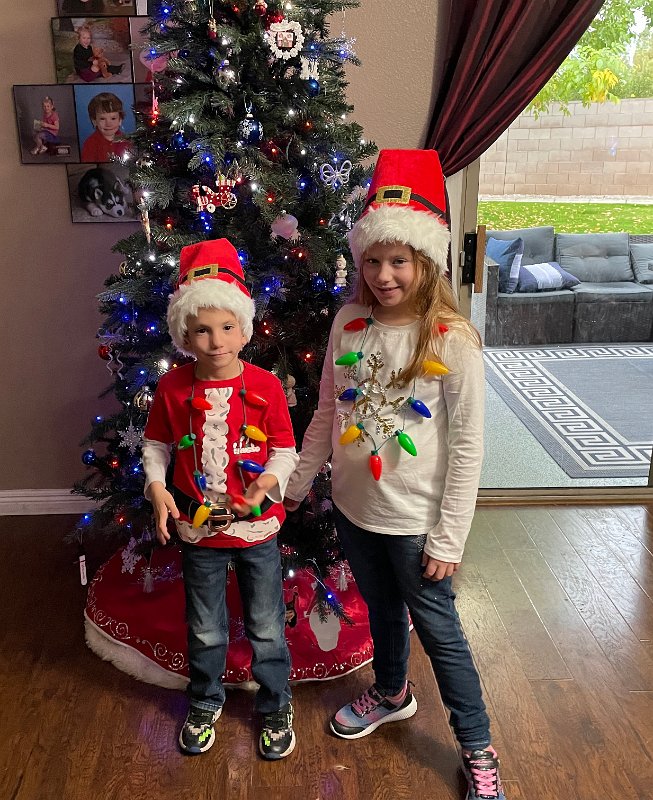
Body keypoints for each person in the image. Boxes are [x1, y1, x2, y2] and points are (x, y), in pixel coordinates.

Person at [284, 149, 506, 800]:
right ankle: (390, 692)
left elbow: (467, 447)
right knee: (379, 607)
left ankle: (477, 747)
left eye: (398, 261)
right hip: (355, 508)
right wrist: (295, 485)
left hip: (416, 522)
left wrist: (449, 537)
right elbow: (328, 411)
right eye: (372, 260)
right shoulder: (348, 323)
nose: (383, 275)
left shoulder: (451, 340)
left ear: (426, 260)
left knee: (440, 633)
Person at [141, 238, 299, 760]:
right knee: (205, 626)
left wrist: (266, 482)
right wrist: (157, 486)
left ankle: (275, 703)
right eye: (203, 330)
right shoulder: (172, 388)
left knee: (267, 625)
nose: (216, 341)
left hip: (256, 530)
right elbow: (157, 445)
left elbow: (285, 450)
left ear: (244, 329)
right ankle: (205, 699)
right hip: (199, 529)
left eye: (227, 327)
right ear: (184, 334)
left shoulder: (266, 386)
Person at [80, 92, 131, 162]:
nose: (108, 124)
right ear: (94, 121)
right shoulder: (90, 144)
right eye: (102, 119)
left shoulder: (126, 141)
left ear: (120, 120)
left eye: (113, 118)